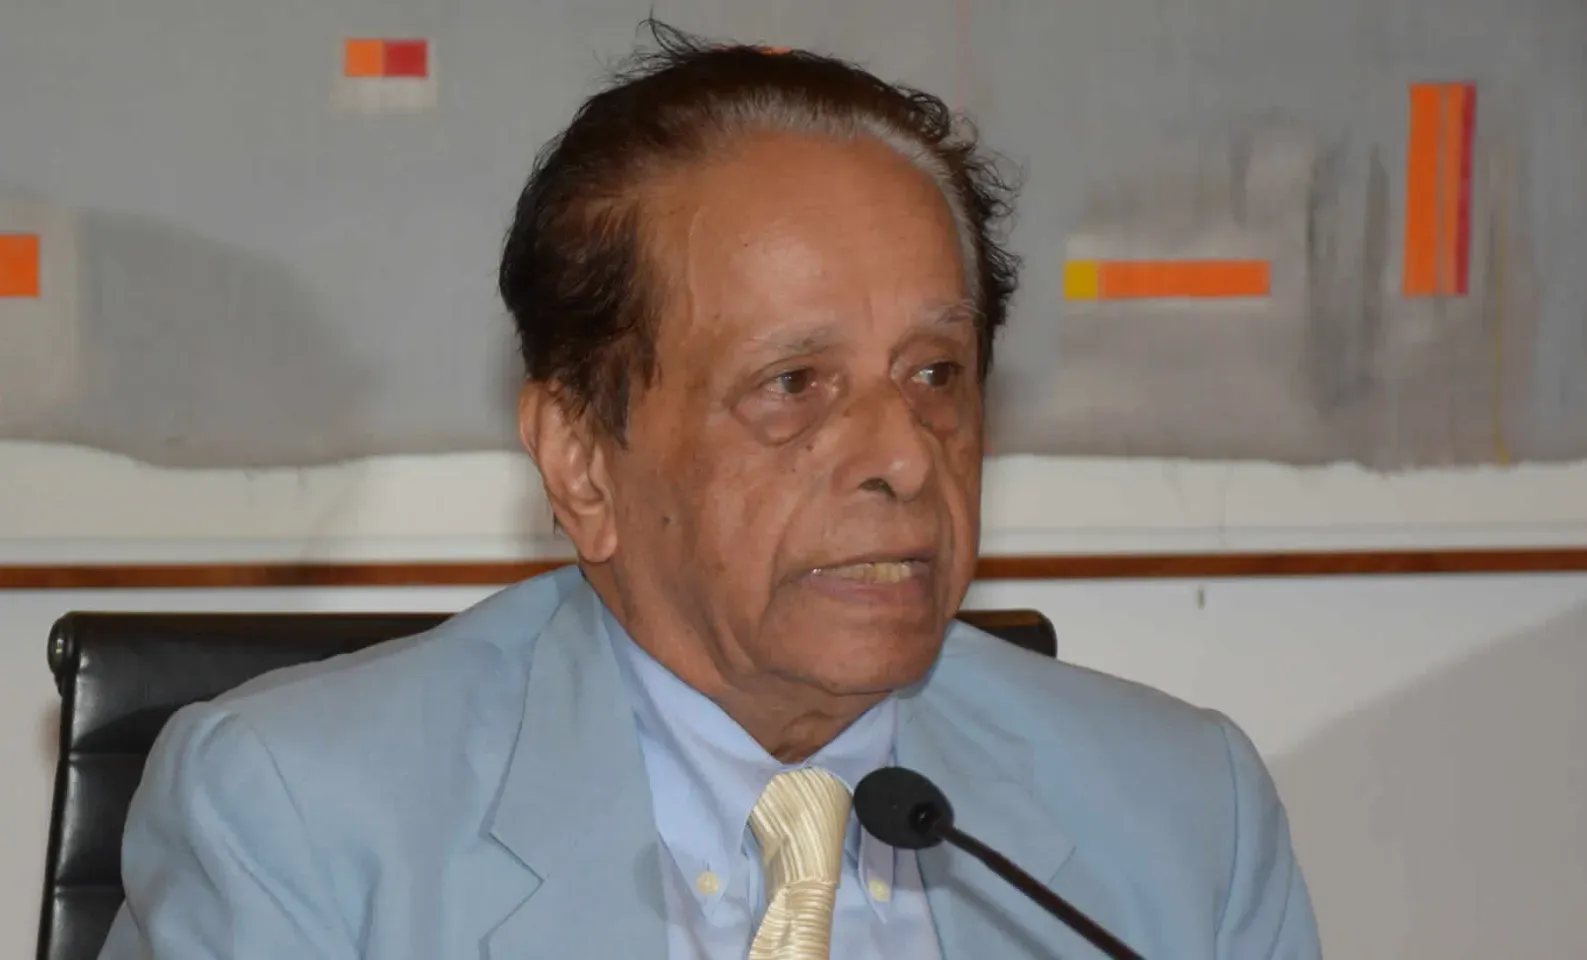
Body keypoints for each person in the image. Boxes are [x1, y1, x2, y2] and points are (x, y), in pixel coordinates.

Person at [98, 21, 1320, 960]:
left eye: (934, 373)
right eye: (793, 385)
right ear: (583, 461)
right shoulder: (301, 823)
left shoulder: (1183, 816)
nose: (904, 457)